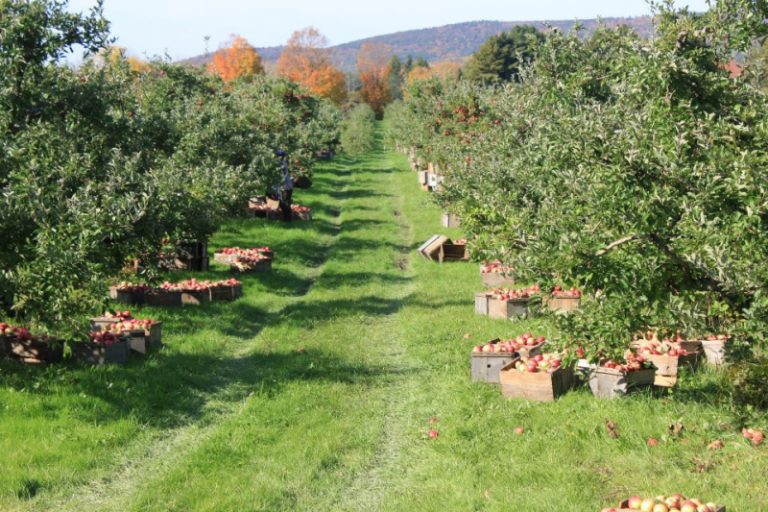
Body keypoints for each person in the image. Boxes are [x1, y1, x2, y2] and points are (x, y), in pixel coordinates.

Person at [275, 149, 294, 222]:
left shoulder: (281, 164)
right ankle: (287, 219)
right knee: (284, 203)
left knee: (285, 204)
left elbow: (282, 177)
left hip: (286, 187)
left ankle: (288, 220)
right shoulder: (281, 163)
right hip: (284, 187)